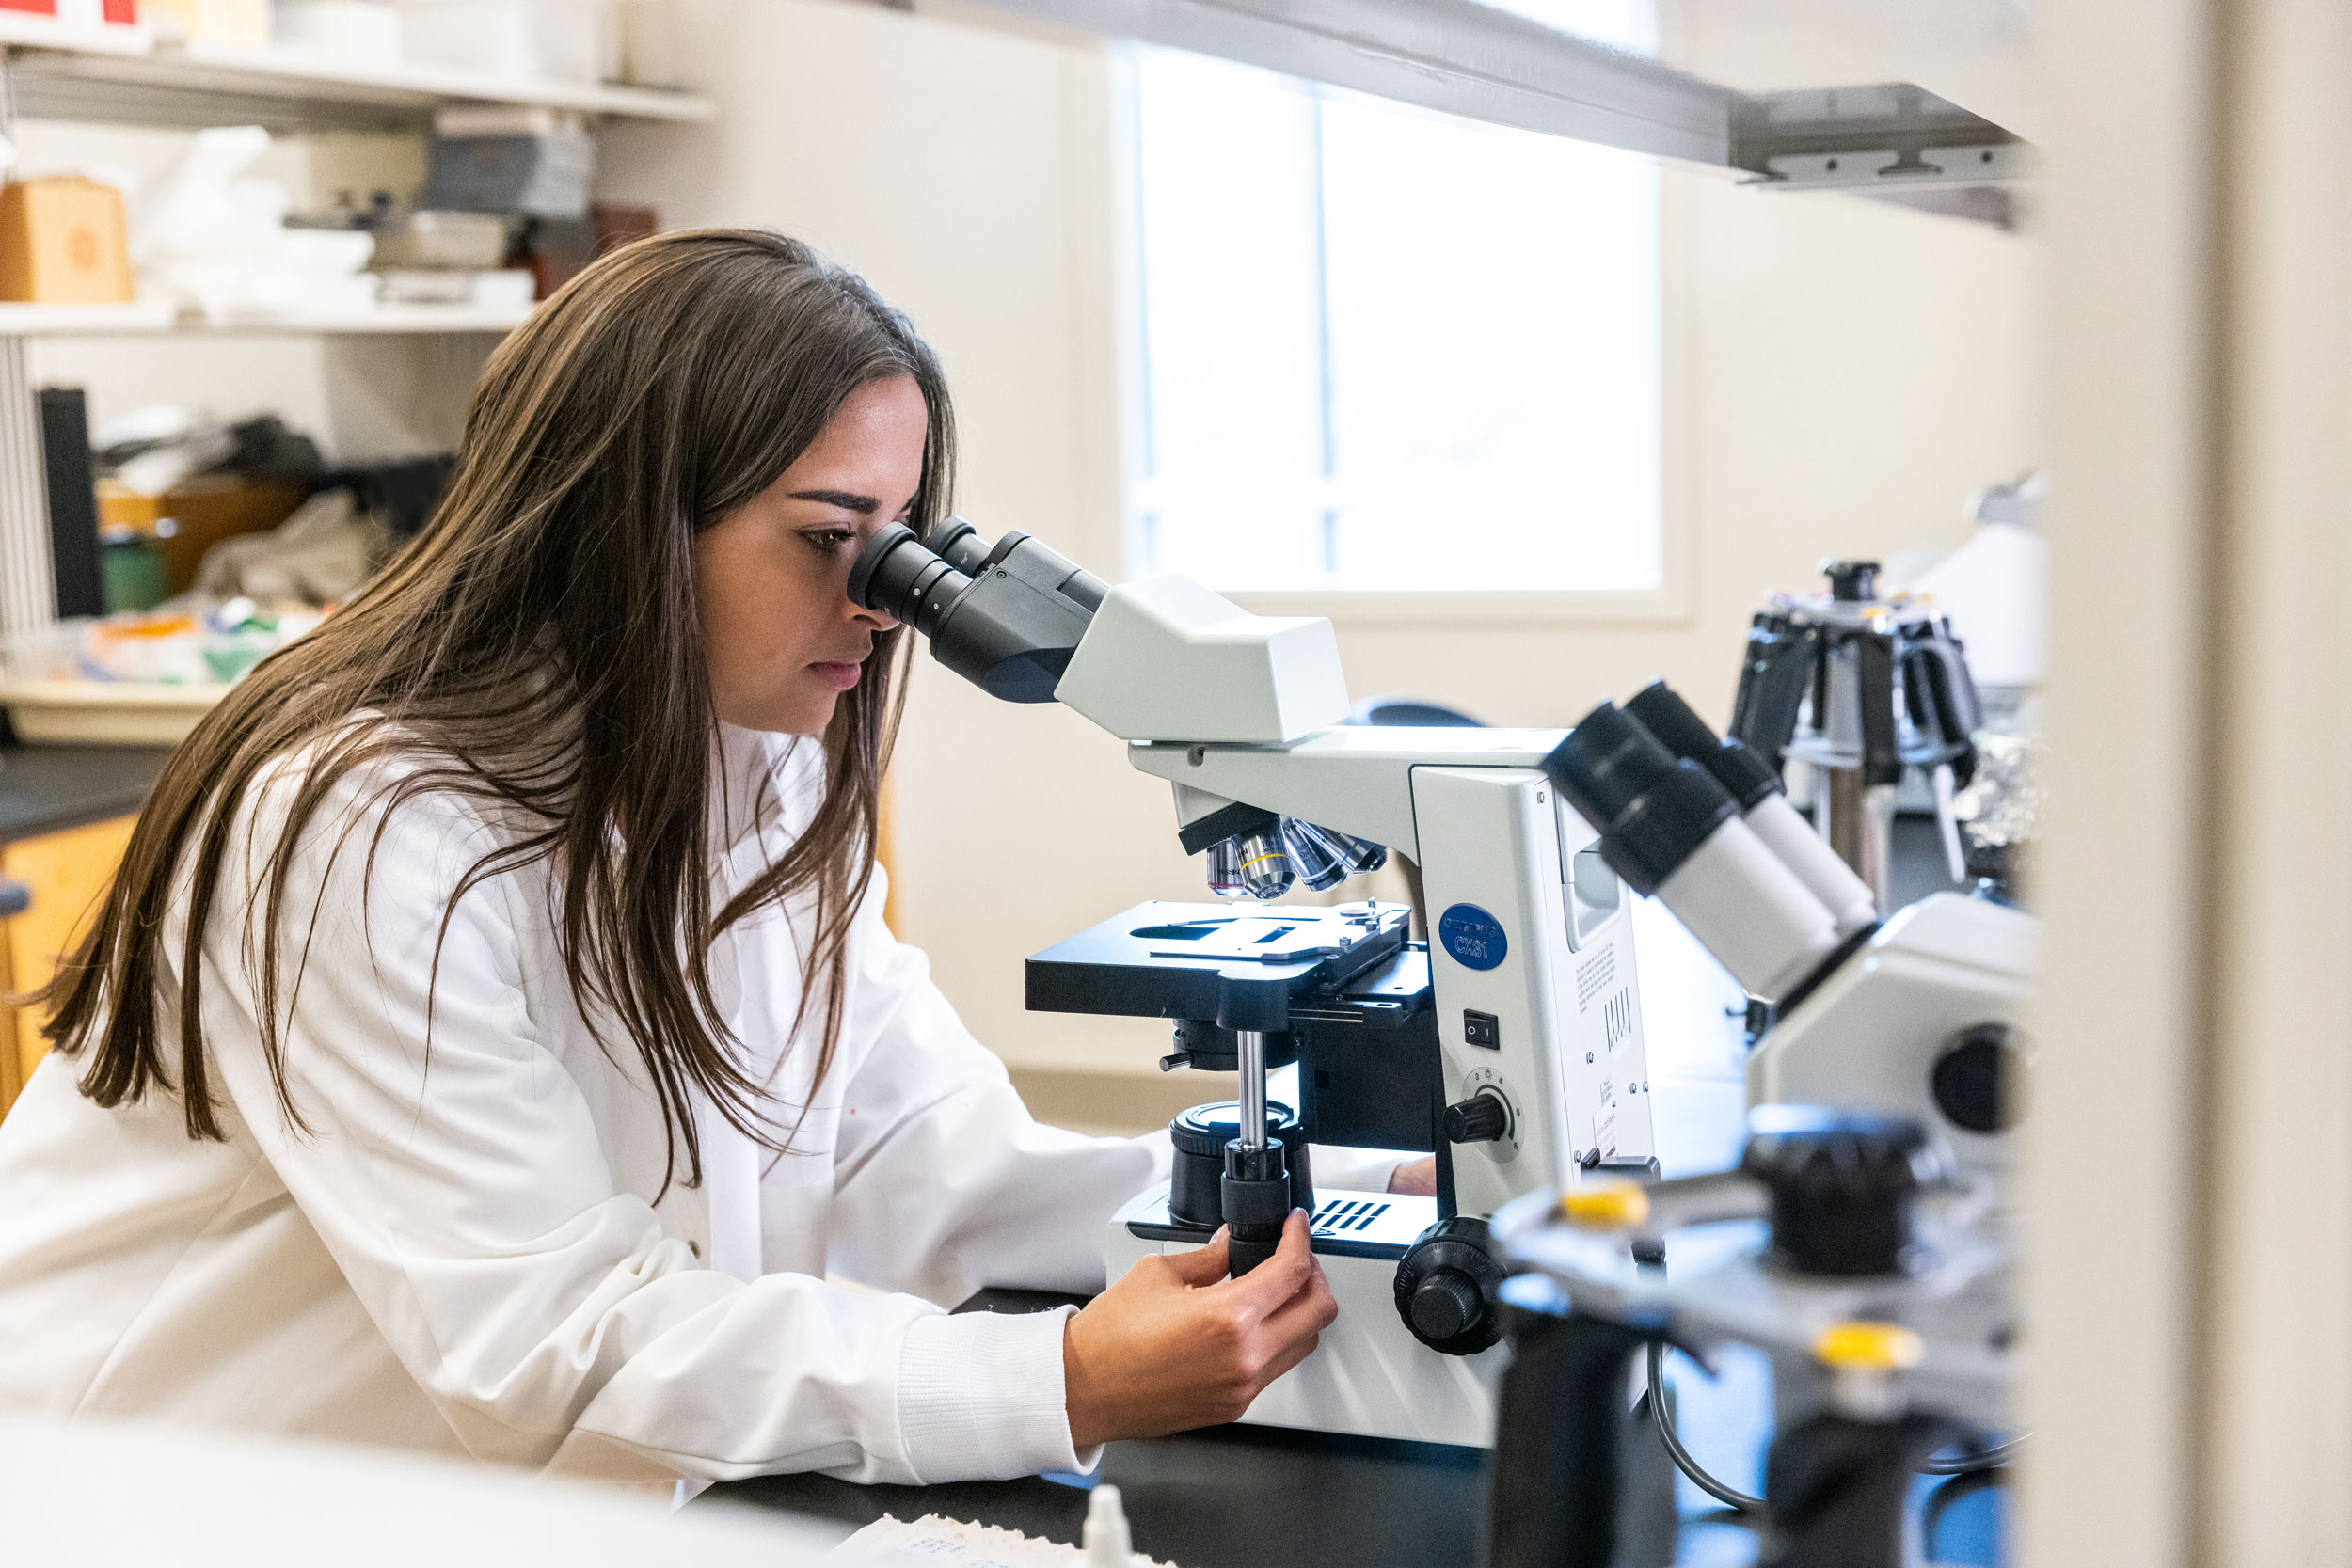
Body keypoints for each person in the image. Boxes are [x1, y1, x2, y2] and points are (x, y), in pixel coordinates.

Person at [0, 230, 1436, 1488]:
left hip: (468, 1492)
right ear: (621, 523)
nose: (882, 607)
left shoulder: (756, 757)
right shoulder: (363, 822)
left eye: (902, 546)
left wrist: (1315, 1203)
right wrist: (1051, 1382)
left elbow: (911, 1154)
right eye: (829, 538)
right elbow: (545, 1334)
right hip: (157, 1487)